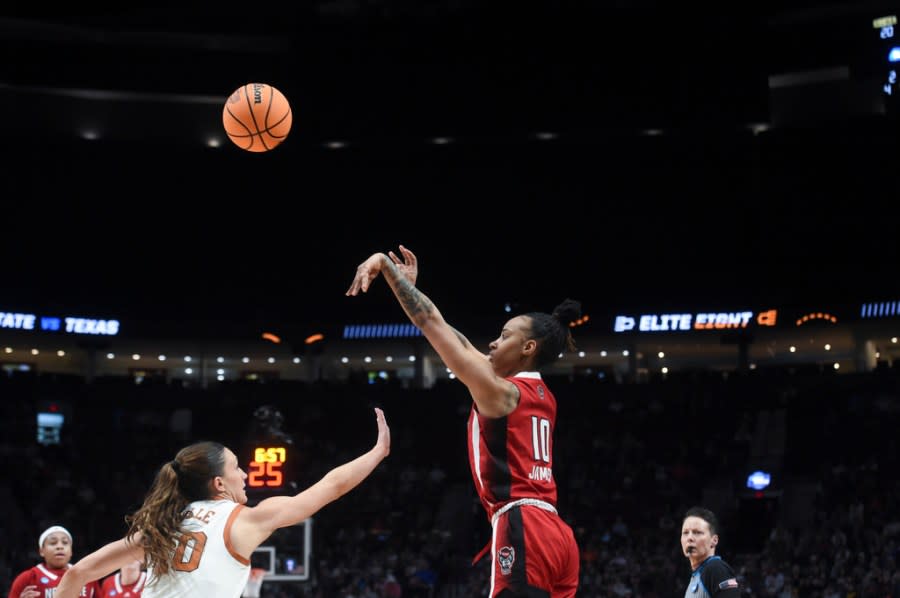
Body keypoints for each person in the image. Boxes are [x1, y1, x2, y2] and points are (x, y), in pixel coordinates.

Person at [347, 245, 580, 597]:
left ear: (528, 348)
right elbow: (457, 338)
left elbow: (432, 325)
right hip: (558, 534)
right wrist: (411, 289)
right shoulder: (542, 395)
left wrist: (386, 267)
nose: (492, 342)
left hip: (524, 525)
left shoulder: (501, 393)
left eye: (504, 336)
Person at [55, 407, 390, 598]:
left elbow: (78, 573)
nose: (244, 474)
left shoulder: (161, 525)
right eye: (236, 467)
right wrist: (377, 453)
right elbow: (331, 487)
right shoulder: (246, 520)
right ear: (218, 483)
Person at [8, 525, 101, 598]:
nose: (59, 546)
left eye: (65, 543)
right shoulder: (27, 578)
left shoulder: (86, 575)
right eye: (53, 543)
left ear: (71, 551)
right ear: (41, 551)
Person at [681, 506, 741, 597]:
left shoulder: (716, 569)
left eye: (697, 532)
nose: (689, 538)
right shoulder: (698, 574)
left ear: (714, 540)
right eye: (685, 532)